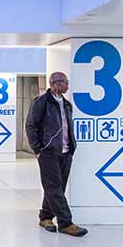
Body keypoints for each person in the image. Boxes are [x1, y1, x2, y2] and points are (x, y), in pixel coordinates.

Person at [26, 72, 88, 237]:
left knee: (57, 188)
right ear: (54, 83)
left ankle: (45, 216)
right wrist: (37, 149)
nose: (67, 85)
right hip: (48, 152)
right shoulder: (41, 102)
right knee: (53, 187)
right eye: (65, 82)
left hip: (66, 152)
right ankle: (65, 223)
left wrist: (71, 148)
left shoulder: (67, 104)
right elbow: (31, 125)